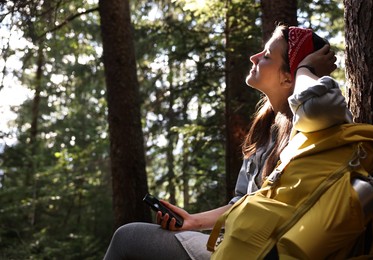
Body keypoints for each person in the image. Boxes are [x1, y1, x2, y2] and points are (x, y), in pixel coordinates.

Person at [103, 24, 352, 260]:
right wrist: (193, 221)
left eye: (266, 56)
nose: (254, 57)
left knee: (127, 238)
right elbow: (241, 202)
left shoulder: (319, 121)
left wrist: (304, 69)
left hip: (268, 252)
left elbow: (318, 105)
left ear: (289, 78)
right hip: (242, 244)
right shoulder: (265, 129)